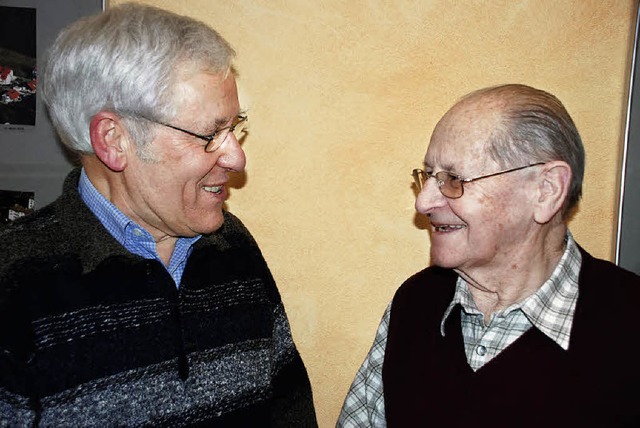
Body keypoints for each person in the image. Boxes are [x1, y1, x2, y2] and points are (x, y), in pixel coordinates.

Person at [0, 3, 317, 426]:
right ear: (114, 140)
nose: (237, 157)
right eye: (209, 134)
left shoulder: (233, 246)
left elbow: (290, 410)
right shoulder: (14, 283)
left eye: (234, 128)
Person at [337, 84, 640, 427]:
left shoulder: (629, 327)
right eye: (429, 176)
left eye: (453, 179)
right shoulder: (415, 304)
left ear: (546, 190)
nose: (423, 203)